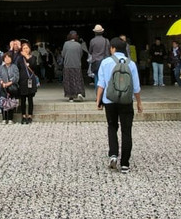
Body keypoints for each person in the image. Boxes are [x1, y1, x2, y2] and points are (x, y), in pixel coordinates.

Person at [95, 38, 143, 173]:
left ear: (113, 48)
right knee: (126, 130)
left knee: (112, 126)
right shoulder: (131, 64)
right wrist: (139, 103)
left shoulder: (105, 62)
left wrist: (98, 101)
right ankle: (125, 164)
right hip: (127, 101)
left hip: (110, 100)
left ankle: (114, 154)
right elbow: (136, 86)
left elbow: (101, 84)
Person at [16, 41, 40, 124]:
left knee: (30, 99)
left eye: (27, 48)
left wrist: (26, 56)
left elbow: (34, 66)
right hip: (22, 81)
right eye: (24, 48)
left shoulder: (33, 57)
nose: (25, 49)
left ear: (29, 49)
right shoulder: (19, 59)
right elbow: (17, 69)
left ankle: (30, 115)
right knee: (23, 99)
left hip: (31, 80)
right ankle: (23, 116)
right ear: (21, 50)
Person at [61, 31, 86, 101]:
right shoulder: (78, 45)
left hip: (68, 65)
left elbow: (63, 54)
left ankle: (70, 97)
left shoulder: (66, 44)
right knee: (77, 80)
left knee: (69, 81)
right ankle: (79, 92)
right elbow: (81, 54)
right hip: (77, 65)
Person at [0, 51, 20, 125]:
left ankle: (10, 119)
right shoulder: (1, 67)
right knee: (3, 103)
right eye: (5, 58)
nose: (7, 59)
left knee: (10, 103)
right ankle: (4, 119)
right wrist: (2, 82)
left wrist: (10, 83)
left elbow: (16, 76)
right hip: (2, 88)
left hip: (11, 88)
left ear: (11, 59)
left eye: (8, 57)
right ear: (3, 59)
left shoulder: (14, 66)